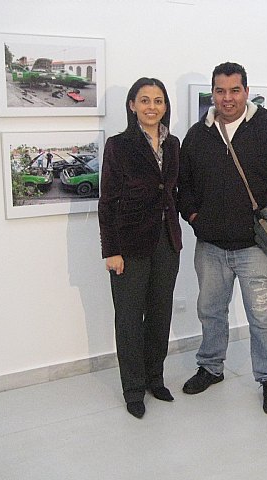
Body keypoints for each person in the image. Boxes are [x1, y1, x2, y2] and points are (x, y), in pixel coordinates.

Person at [178, 62, 267, 415]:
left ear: (246, 91)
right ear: (212, 93)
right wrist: (195, 218)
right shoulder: (198, 134)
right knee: (210, 311)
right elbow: (184, 187)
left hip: (255, 246)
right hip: (210, 247)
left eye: (234, 90)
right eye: (220, 91)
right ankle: (210, 367)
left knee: (264, 318)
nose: (227, 98)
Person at [98, 77, 182, 419]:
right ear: (132, 105)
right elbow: (108, 202)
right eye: (144, 100)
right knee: (130, 319)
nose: (152, 107)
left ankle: (155, 378)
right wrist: (111, 250)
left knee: (160, 315)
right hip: (129, 245)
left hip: (167, 242)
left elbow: (173, 190)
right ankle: (133, 389)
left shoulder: (173, 143)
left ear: (165, 106)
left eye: (158, 100)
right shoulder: (118, 145)